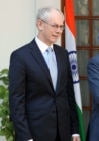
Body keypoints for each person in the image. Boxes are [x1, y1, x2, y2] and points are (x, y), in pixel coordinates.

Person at [9, 7, 80, 141]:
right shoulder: (21, 56)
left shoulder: (63, 54)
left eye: (61, 27)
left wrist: (74, 130)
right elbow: (16, 101)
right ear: (40, 24)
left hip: (63, 132)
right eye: (54, 26)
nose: (59, 31)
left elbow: (69, 95)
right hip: (35, 133)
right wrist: (25, 137)